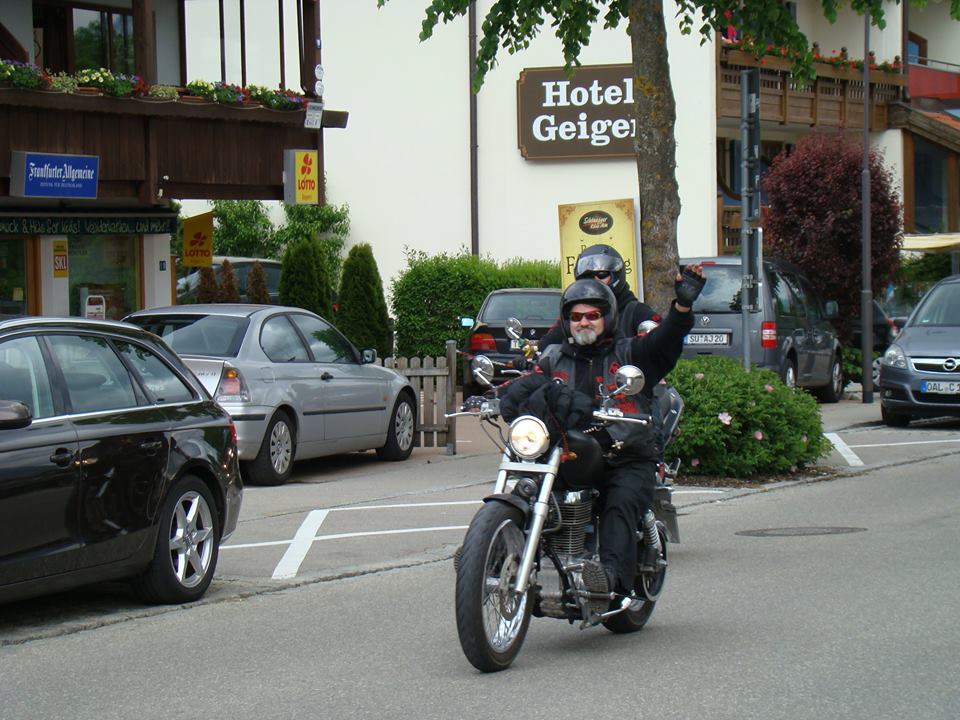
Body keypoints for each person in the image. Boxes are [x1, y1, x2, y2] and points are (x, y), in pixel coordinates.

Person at [499, 265, 705, 598]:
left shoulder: (631, 352)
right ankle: (492, 553)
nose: (584, 322)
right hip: (569, 451)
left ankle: (608, 578)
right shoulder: (553, 357)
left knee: (619, 503)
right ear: (567, 320)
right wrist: (501, 398)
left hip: (624, 454)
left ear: (607, 317)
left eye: (592, 315)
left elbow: (665, 342)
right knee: (525, 488)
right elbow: (528, 384)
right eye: (576, 316)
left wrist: (682, 308)